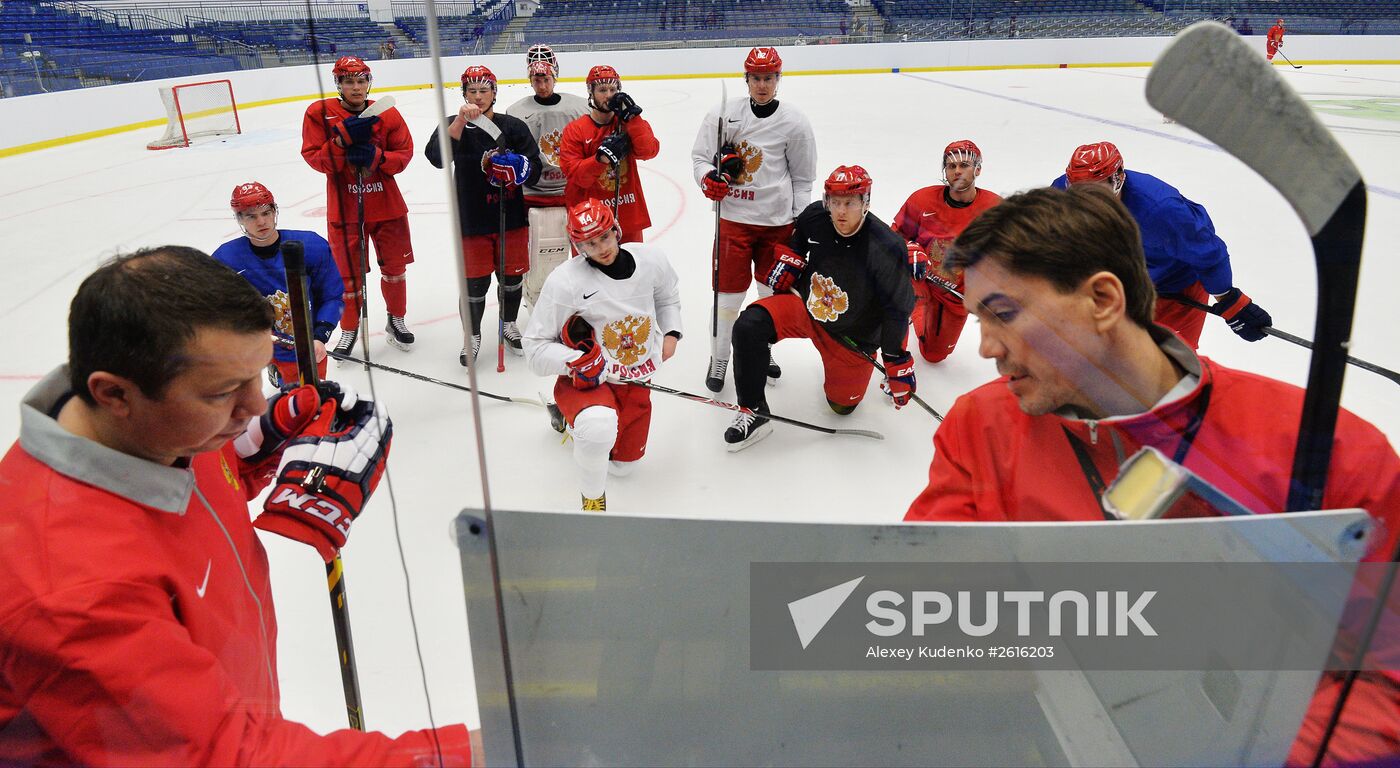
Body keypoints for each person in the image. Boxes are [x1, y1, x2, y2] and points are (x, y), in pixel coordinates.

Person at [902, 185, 1400, 766]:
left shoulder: (1330, 451)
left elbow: (1386, 682)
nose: (985, 347)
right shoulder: (980, 428)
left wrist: (1238, 753)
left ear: (1104, 300)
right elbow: (929, 618)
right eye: (977, 319)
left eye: (1004, 315)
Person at [0, 246, 476, 765]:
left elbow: (195, 490)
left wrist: (260, 448)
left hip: (231, 705)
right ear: (114, 394)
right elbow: (227, 756)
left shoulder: (155, 432)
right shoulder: (68, 591)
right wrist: (461, 756)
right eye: (226, 391)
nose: (254, 405)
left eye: (259, 376)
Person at [724, 165, 915, 451]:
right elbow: (799, 243)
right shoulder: (815, 216)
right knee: (748, 326)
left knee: (841, 407)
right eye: (835, 202)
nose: (840, 211)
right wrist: (792, 259)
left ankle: (843, 386)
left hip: (851, 338)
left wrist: (894, 359)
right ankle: (754, 411)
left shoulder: (886, 245)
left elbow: (897, 310)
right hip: (807, 307)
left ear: (866, 202)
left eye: (849, 203)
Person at [523, 199, 682, 511]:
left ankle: (569, 423)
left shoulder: (651, 260)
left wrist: (672, 332)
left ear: (616, 230)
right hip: (591, 380)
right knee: (598, 428)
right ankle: (593, 503)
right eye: (590, 243)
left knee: (624, 467)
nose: (601, 248)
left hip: (637, 378)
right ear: (578, 246)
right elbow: (535, 347)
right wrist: (575, 361)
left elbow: (667, 296)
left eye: (605, 237)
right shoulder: (566, 281)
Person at [1051, 141, 1271, 349]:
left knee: (1170, 362)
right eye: (1079, 191)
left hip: (1176, 285)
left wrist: (1231, 302)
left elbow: (1207, 254)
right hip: (1119, 280)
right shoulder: (1062, 196)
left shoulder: (1161, 210)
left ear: (1118, 179)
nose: (1089, 201)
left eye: (1098, 191)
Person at [690, 46, 816, 393]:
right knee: (726, 298)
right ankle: (719, 358)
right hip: (733, 221)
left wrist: (799, 223)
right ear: (747, 80)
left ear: (779, 79)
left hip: (776, 225)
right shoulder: (724, 115)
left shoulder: (795, 121)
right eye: (757, 78)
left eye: (769, 78)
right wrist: (708, 180)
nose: (763, 85)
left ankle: (762, 349)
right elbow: (701, 158)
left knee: (769, 295)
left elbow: (803, 178)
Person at [301, 55, 417, 359]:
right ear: (339, 84)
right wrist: (340, 144)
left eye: (362, 80)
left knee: (395, 269)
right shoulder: (319, 113)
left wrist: (376, 157)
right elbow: (315, 158)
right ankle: (350, 327)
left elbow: (404, 154)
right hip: (345, 211)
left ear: (369, 82)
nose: (357, 87)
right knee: (348, 277)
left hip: (388, 207)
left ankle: (396, 319)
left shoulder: (387, 113)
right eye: (349, 81)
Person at [425, 65, 542, 367]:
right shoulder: (452, 123)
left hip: (511, 218)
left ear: (494, 92)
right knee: (474, 283)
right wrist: (460, 122)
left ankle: (509, 323)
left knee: (511, 278)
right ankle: (472, 334)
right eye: (472, 91)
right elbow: (437, 159)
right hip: (471, 220)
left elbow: (535, 168)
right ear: (463, 93)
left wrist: (521, 167)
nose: (478, 97)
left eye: (484, 90)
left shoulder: (512, 126)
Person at [212, 182, 343, 388]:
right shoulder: (226, 258)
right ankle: (275, 369)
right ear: (240, 220)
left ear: (275, 211)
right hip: (261, 344)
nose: (261, 221)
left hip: (307, 342)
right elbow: (217, 307)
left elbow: (331, 295)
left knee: (312, 395)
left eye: (266, 212)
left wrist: (320, 336)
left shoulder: (311, 246)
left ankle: (280, 374)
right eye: (251, 216)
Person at [890, 139, 1002, 364]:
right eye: (951, 166)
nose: (957, 171)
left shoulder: (995, 209)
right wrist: (910, 249)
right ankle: (896, 353)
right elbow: (893, 238)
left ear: (977, 169)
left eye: (964, 165)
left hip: (955, 293)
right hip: (919, 278)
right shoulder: (921, 200)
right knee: (899, 298)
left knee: (934, 355)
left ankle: (919, 315)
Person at [504, 43, 591, 310]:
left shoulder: (578, 107)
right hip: (534, 195)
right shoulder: (517, 111)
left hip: (571, 193)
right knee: (541, 257)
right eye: (536, 78)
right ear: (530, 78)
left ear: (555, 75)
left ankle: (584, 302)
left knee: (583, 256)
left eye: (546, 78)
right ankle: (538, 304)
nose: (541, 84)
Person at [557, 64, 660, 245]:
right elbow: (574, 175)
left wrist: (633, 118)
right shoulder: (575, 130)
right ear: (591, 93)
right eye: (602, 90)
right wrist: (600, 159)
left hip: (628, 215)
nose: (608, 95)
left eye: (613, 89)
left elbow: (649, 151)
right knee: (589, 273)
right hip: (590, 222)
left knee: (633, 271)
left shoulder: (628, 124)